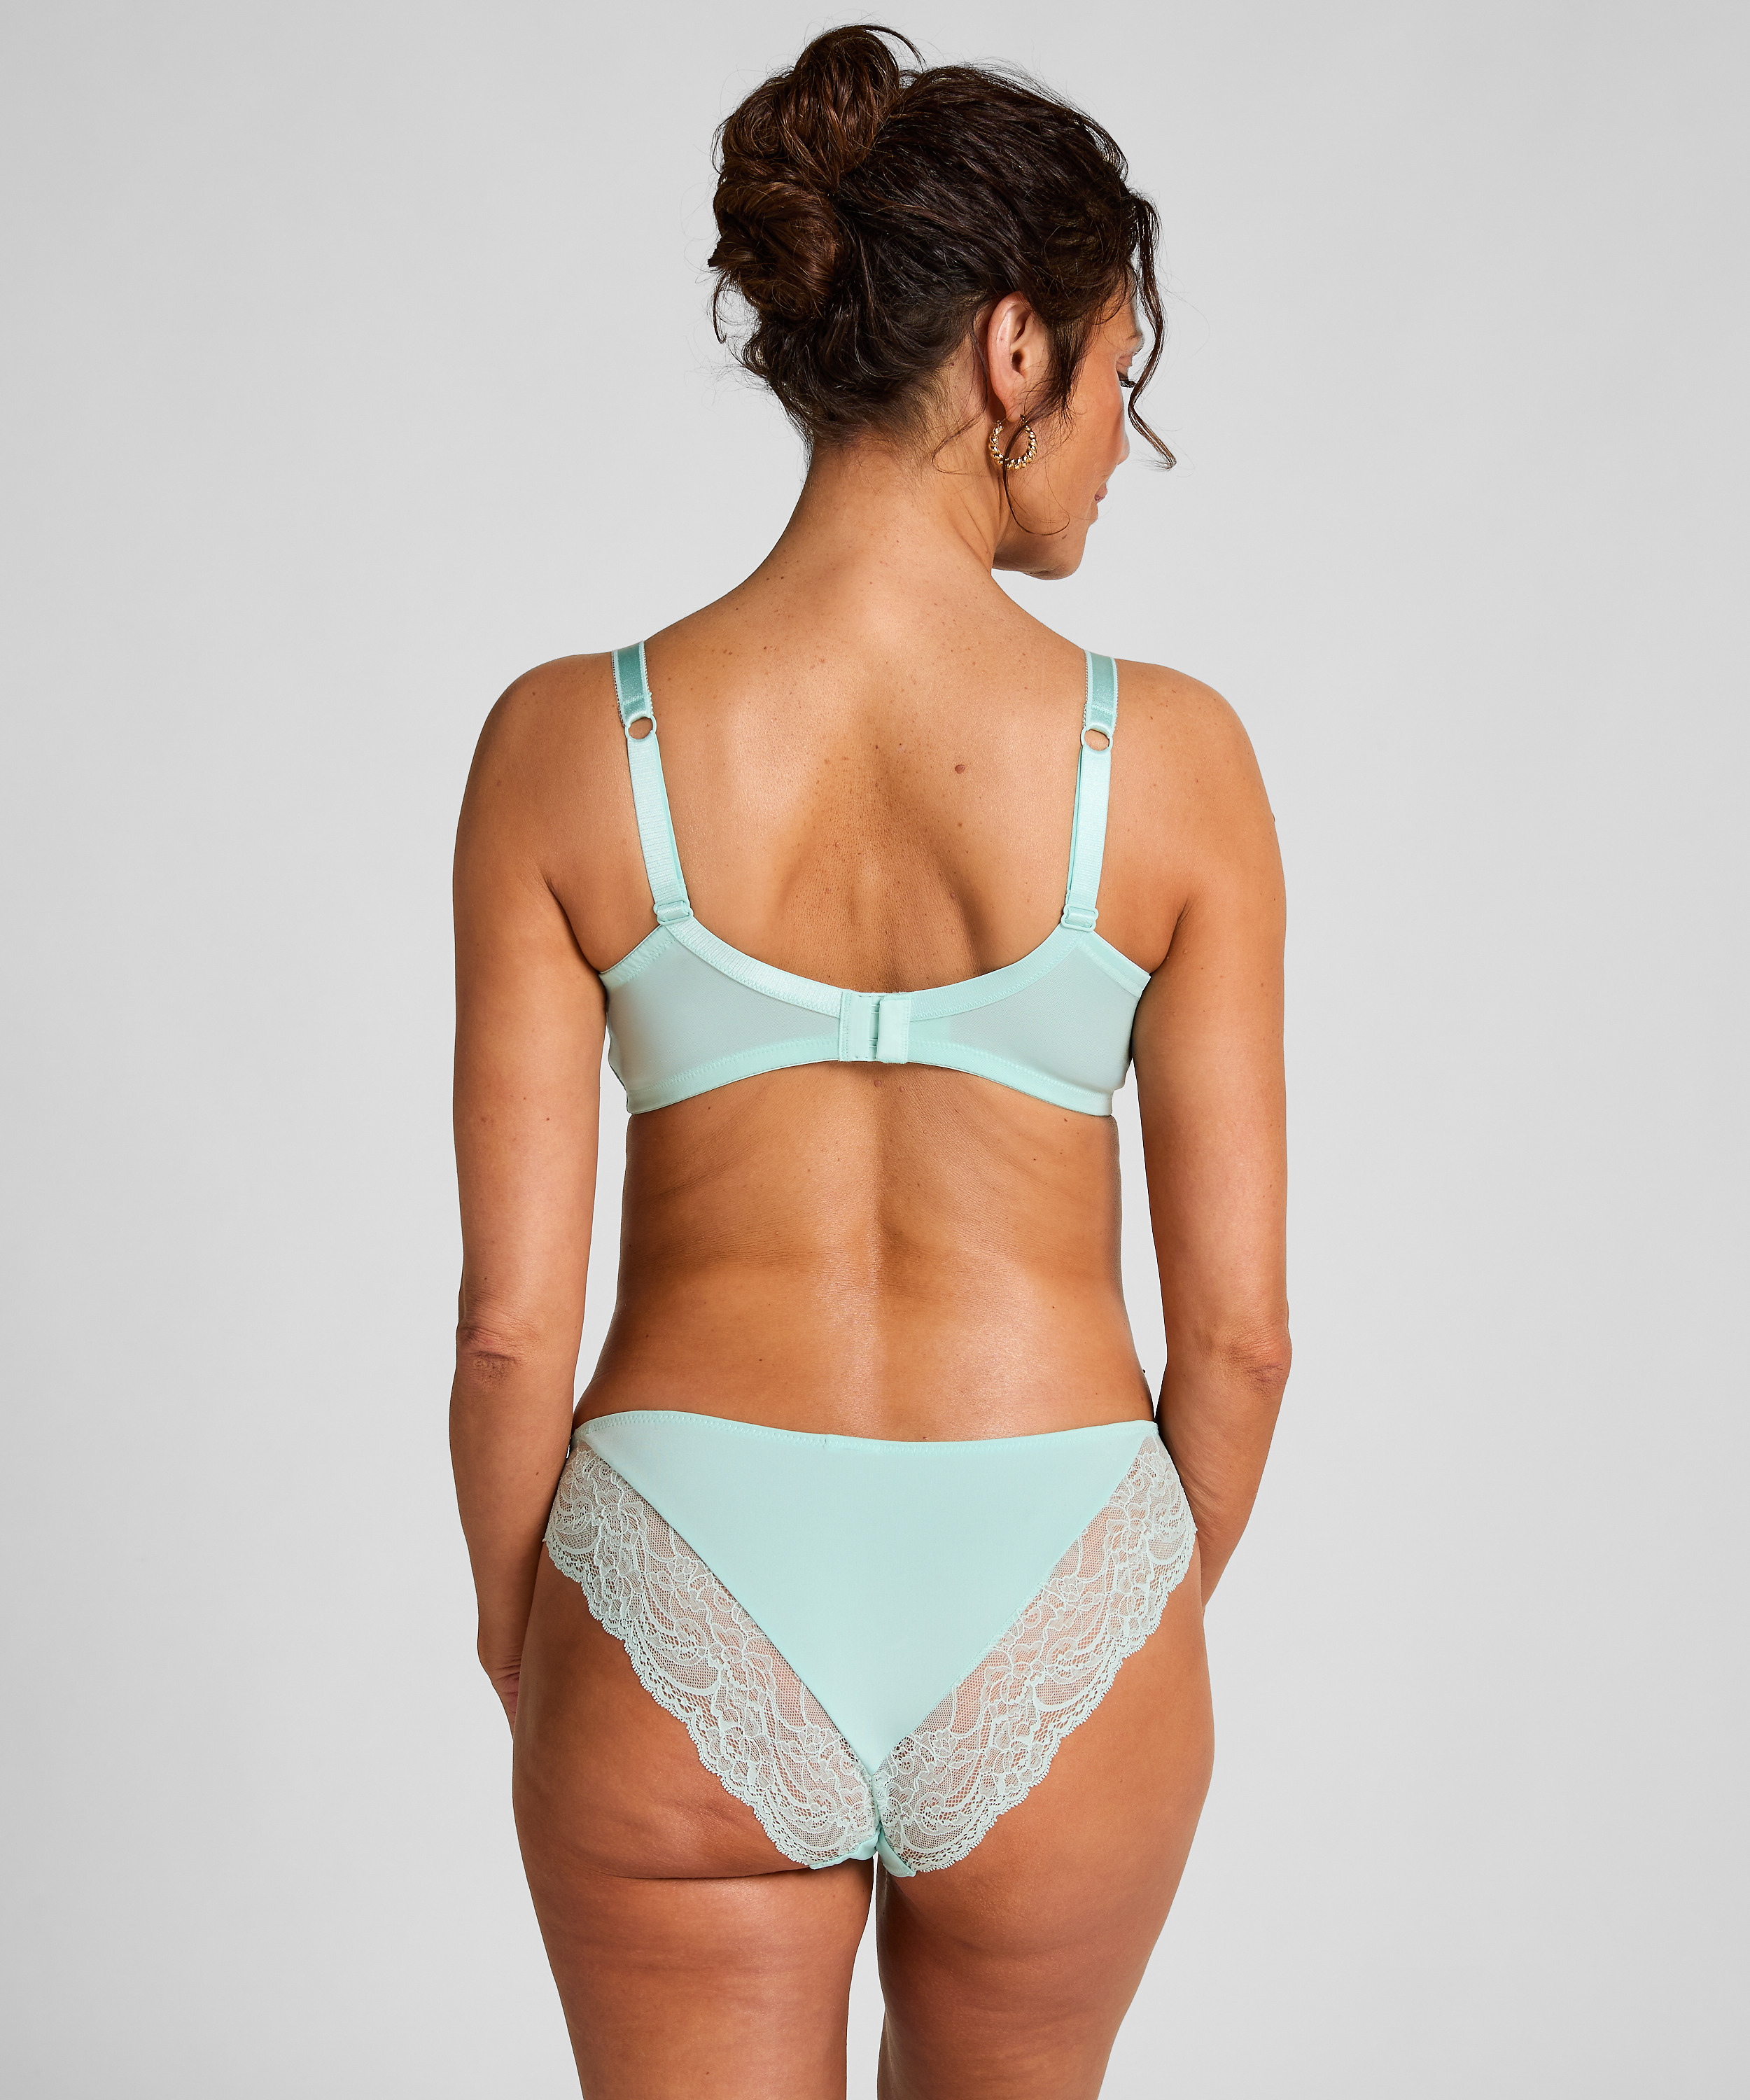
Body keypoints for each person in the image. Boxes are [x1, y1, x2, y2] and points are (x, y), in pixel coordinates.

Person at [450, 24, 1289, 2097]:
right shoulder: (1175, 767)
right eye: (1118, 380)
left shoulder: (562, 746)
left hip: (679, 1558)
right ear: (1012, 350)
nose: (1123, 446)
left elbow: (505, 1335)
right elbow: (1242, 1342)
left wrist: (534, 1634)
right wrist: (1113, 1619)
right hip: (1057, 1553)